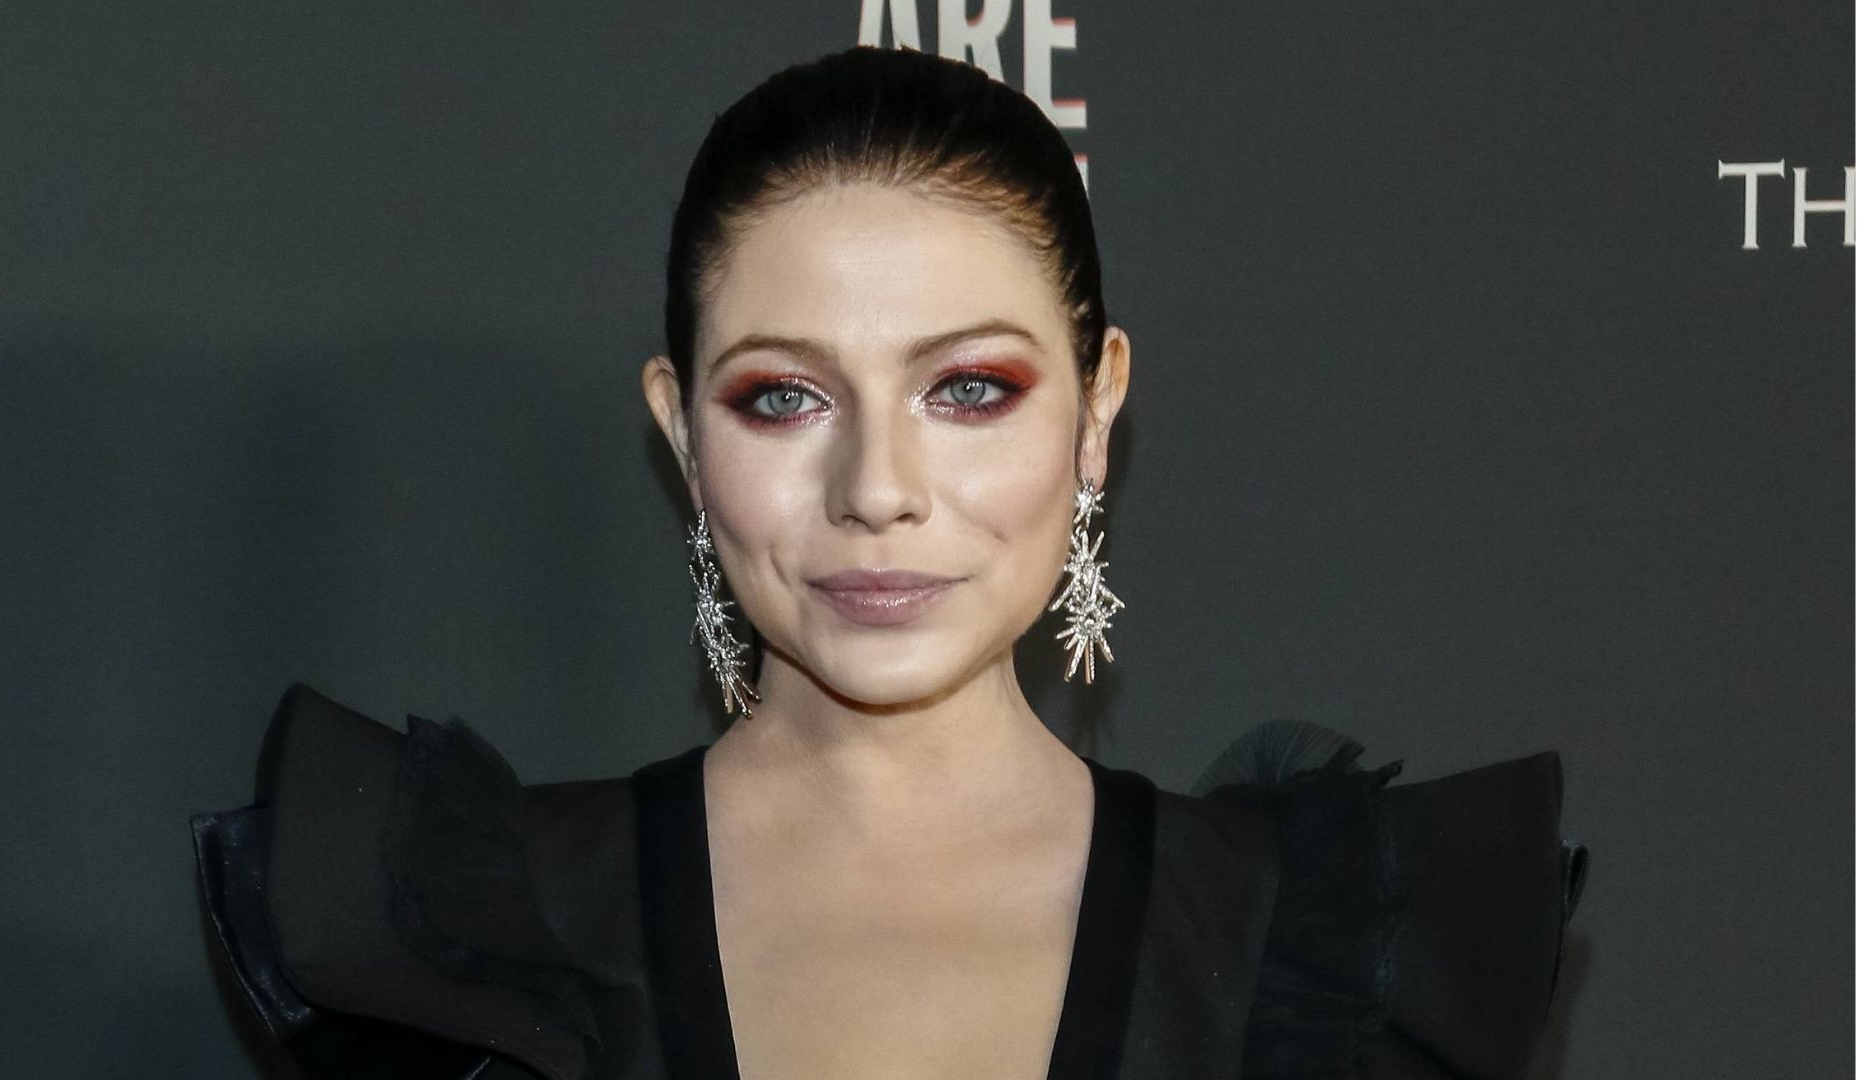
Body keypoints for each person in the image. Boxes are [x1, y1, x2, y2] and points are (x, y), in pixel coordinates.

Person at [191, 44, 1589, 1080]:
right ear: (681, 433)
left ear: (1097, 410)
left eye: (969, 389)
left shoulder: (1301, 955)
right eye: (783, 398)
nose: (875, 490)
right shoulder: (478, 945)